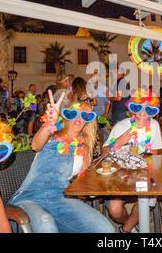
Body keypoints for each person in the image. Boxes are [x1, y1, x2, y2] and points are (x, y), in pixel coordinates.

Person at [9, 91, 114, 233]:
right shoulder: (52, 134)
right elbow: (35, 145)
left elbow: (84, 182)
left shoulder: (84, 147)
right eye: (73, 114)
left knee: (105, 229)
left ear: (88, 120)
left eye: (84, 115)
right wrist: (49, 123)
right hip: (30, 196)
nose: (78, 118)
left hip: (60, 197)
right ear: (65, 117)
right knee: (47, 226)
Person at [103, 89, 162, 233]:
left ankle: (126, 229)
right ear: (132, 108)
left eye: (148, 108)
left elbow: (156, 153)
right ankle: (134, 221)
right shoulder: (121, 126)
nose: (143, 112)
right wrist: (119, 141)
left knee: (145, 198)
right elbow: (104, 152)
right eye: (138, 107)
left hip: (144, 175)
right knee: (115, 210)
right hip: (121, 176)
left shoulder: (154, 126)